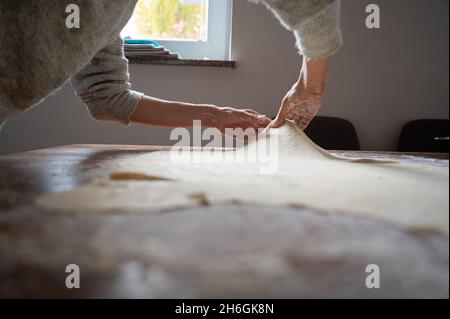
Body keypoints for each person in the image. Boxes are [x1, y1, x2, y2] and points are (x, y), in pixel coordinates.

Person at [0, 0, 342, 134]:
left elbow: (107, 98)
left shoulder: (114, 12)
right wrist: (311, 88)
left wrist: (214, 116)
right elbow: (312, 8)